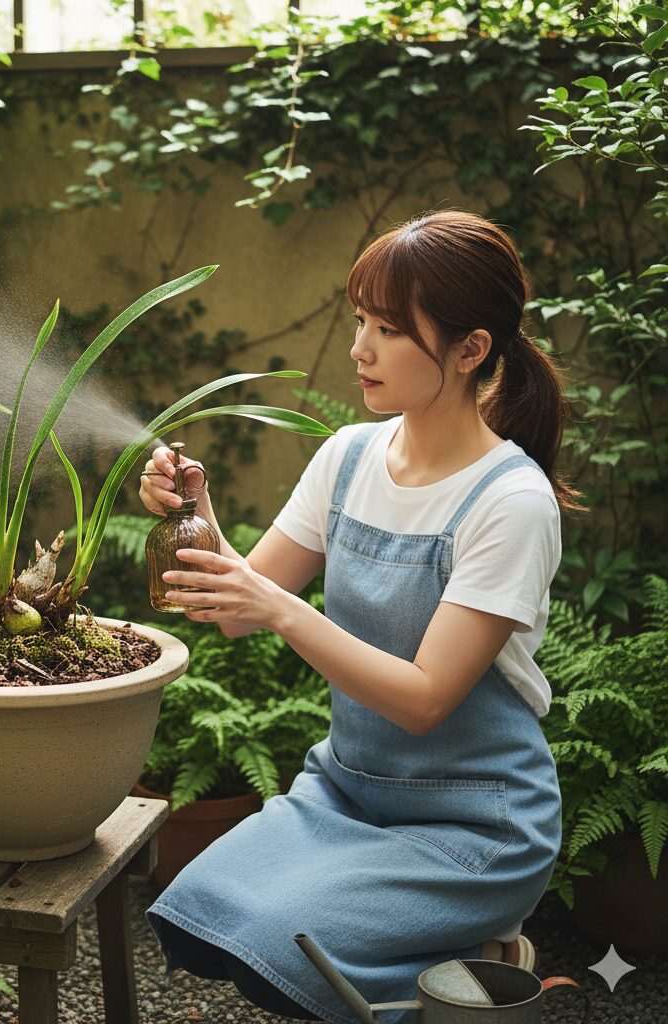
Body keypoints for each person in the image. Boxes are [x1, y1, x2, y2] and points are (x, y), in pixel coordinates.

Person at [137, 210, 582, 1022]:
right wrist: (193, 513)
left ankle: (479, 983)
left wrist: (279, 611)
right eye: (359, 321)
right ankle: (470, 972)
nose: (359, 349)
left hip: (474, 823)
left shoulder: (511, 502)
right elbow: (236, 611)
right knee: (200, 904)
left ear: (471, 348)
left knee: (283, 936)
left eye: (388, 329)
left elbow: (423, 700)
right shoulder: (345, 458)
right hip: (347, 793)